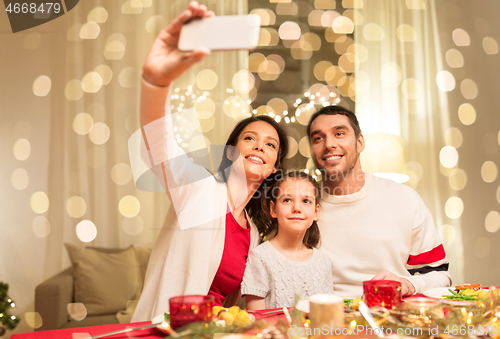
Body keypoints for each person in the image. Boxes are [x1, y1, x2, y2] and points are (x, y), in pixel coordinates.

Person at [131, 2, 289, 321]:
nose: (259, 145)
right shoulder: (198, 189)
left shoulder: (253, 232)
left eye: (270, 144)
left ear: (273, 166)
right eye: (249, 138)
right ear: (230, 151)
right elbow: (159, 143)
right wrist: (155, 83)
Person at [306, 105, 452, 298]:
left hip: (391, 318)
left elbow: (440, 274)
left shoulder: (405, 200)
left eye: (339, 133)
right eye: (318, 138)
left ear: (360, 142)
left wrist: (407, 283)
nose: (329, 144)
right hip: (324, 320)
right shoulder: (300, 206)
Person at [241, 171, 334, 310]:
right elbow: (257, 319)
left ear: (316, 212)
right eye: (287, 200)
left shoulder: (323, 262)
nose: (296, 208)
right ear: (273, 209)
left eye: (306, 201)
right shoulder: (260, 258)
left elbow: (328, 313)